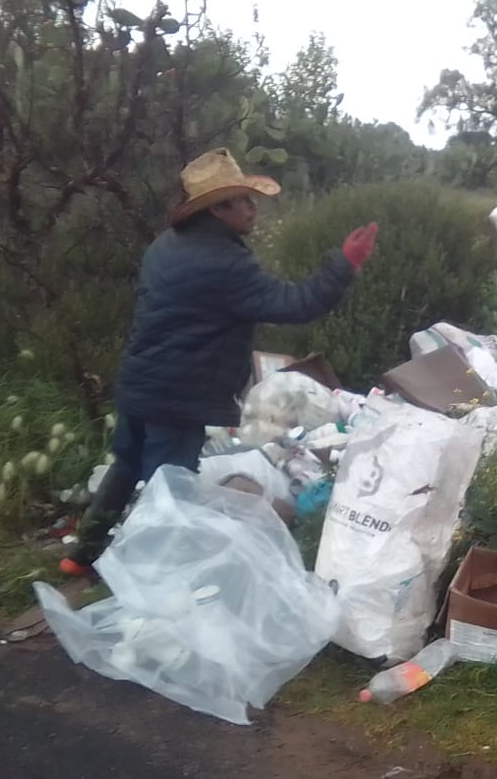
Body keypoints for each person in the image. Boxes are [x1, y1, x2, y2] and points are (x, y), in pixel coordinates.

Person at [59, 148, 379, 577]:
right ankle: (156, 582)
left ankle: (79, 557)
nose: (252, 209)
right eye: (243, 201)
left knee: (127, 467)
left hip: (139, 384)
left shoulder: (165, 246)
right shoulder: (225, 263)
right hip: (178, 397)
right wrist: (344, 264)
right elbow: (297, 303)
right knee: (167, 493)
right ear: (217, 209)